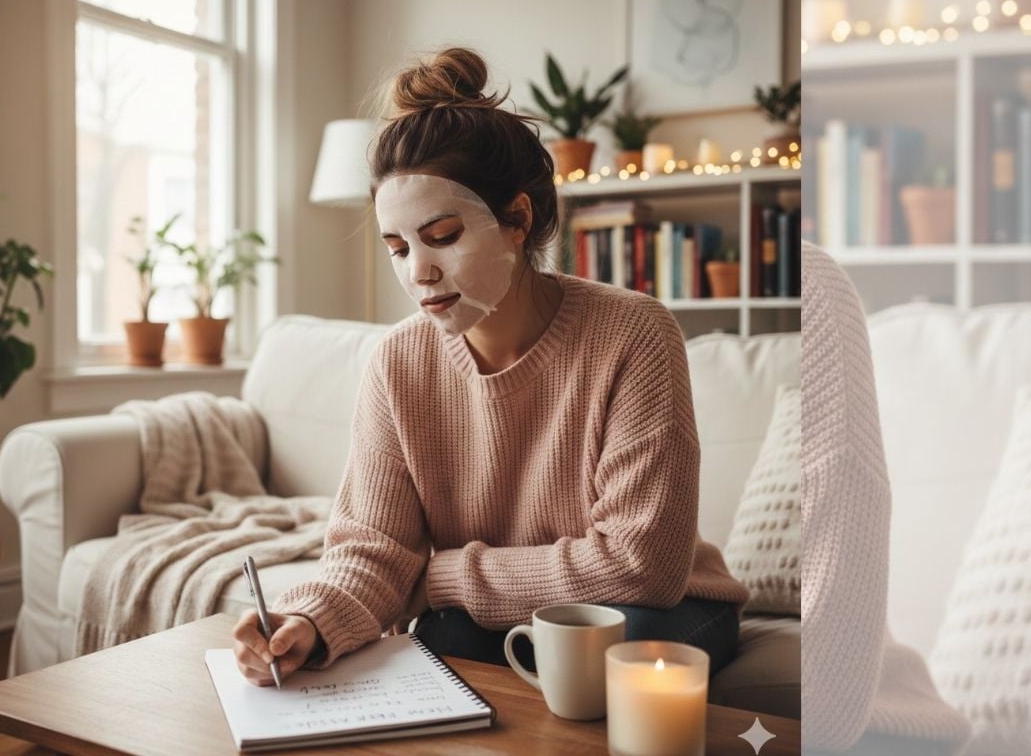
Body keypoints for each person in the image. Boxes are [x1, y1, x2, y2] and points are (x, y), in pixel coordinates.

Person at [232, 47, 748, 686]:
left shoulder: (633, 333)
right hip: (499, 613)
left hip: (658, 611)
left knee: (605, 648)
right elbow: (373, 550)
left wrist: (439, 575)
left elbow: (640, 565)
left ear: (517, 221)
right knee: (440, 641)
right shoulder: (397, 363)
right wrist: (306, 623)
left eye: (442, 236)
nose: (417, 272)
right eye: (398, 248)